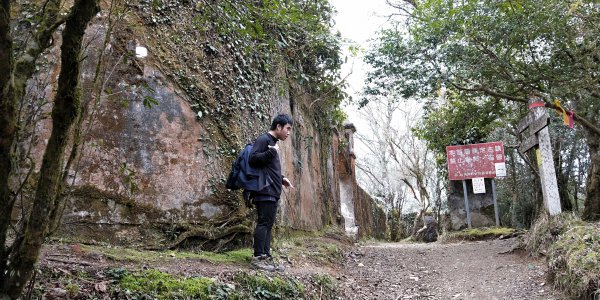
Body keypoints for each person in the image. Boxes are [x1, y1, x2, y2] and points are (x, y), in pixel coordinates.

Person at [248, 113, 294, 271]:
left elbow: (268, 167)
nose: (288, 132)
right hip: (264, 190)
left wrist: (282, 178)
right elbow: (252, 159)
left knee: (268, 224)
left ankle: (266, 257)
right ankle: (258, 258)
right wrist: (271, 153)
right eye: (287, 128)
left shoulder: (273, 142)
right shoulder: (264, 140)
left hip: (272, 190)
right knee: (263, 223)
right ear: (279, 126)